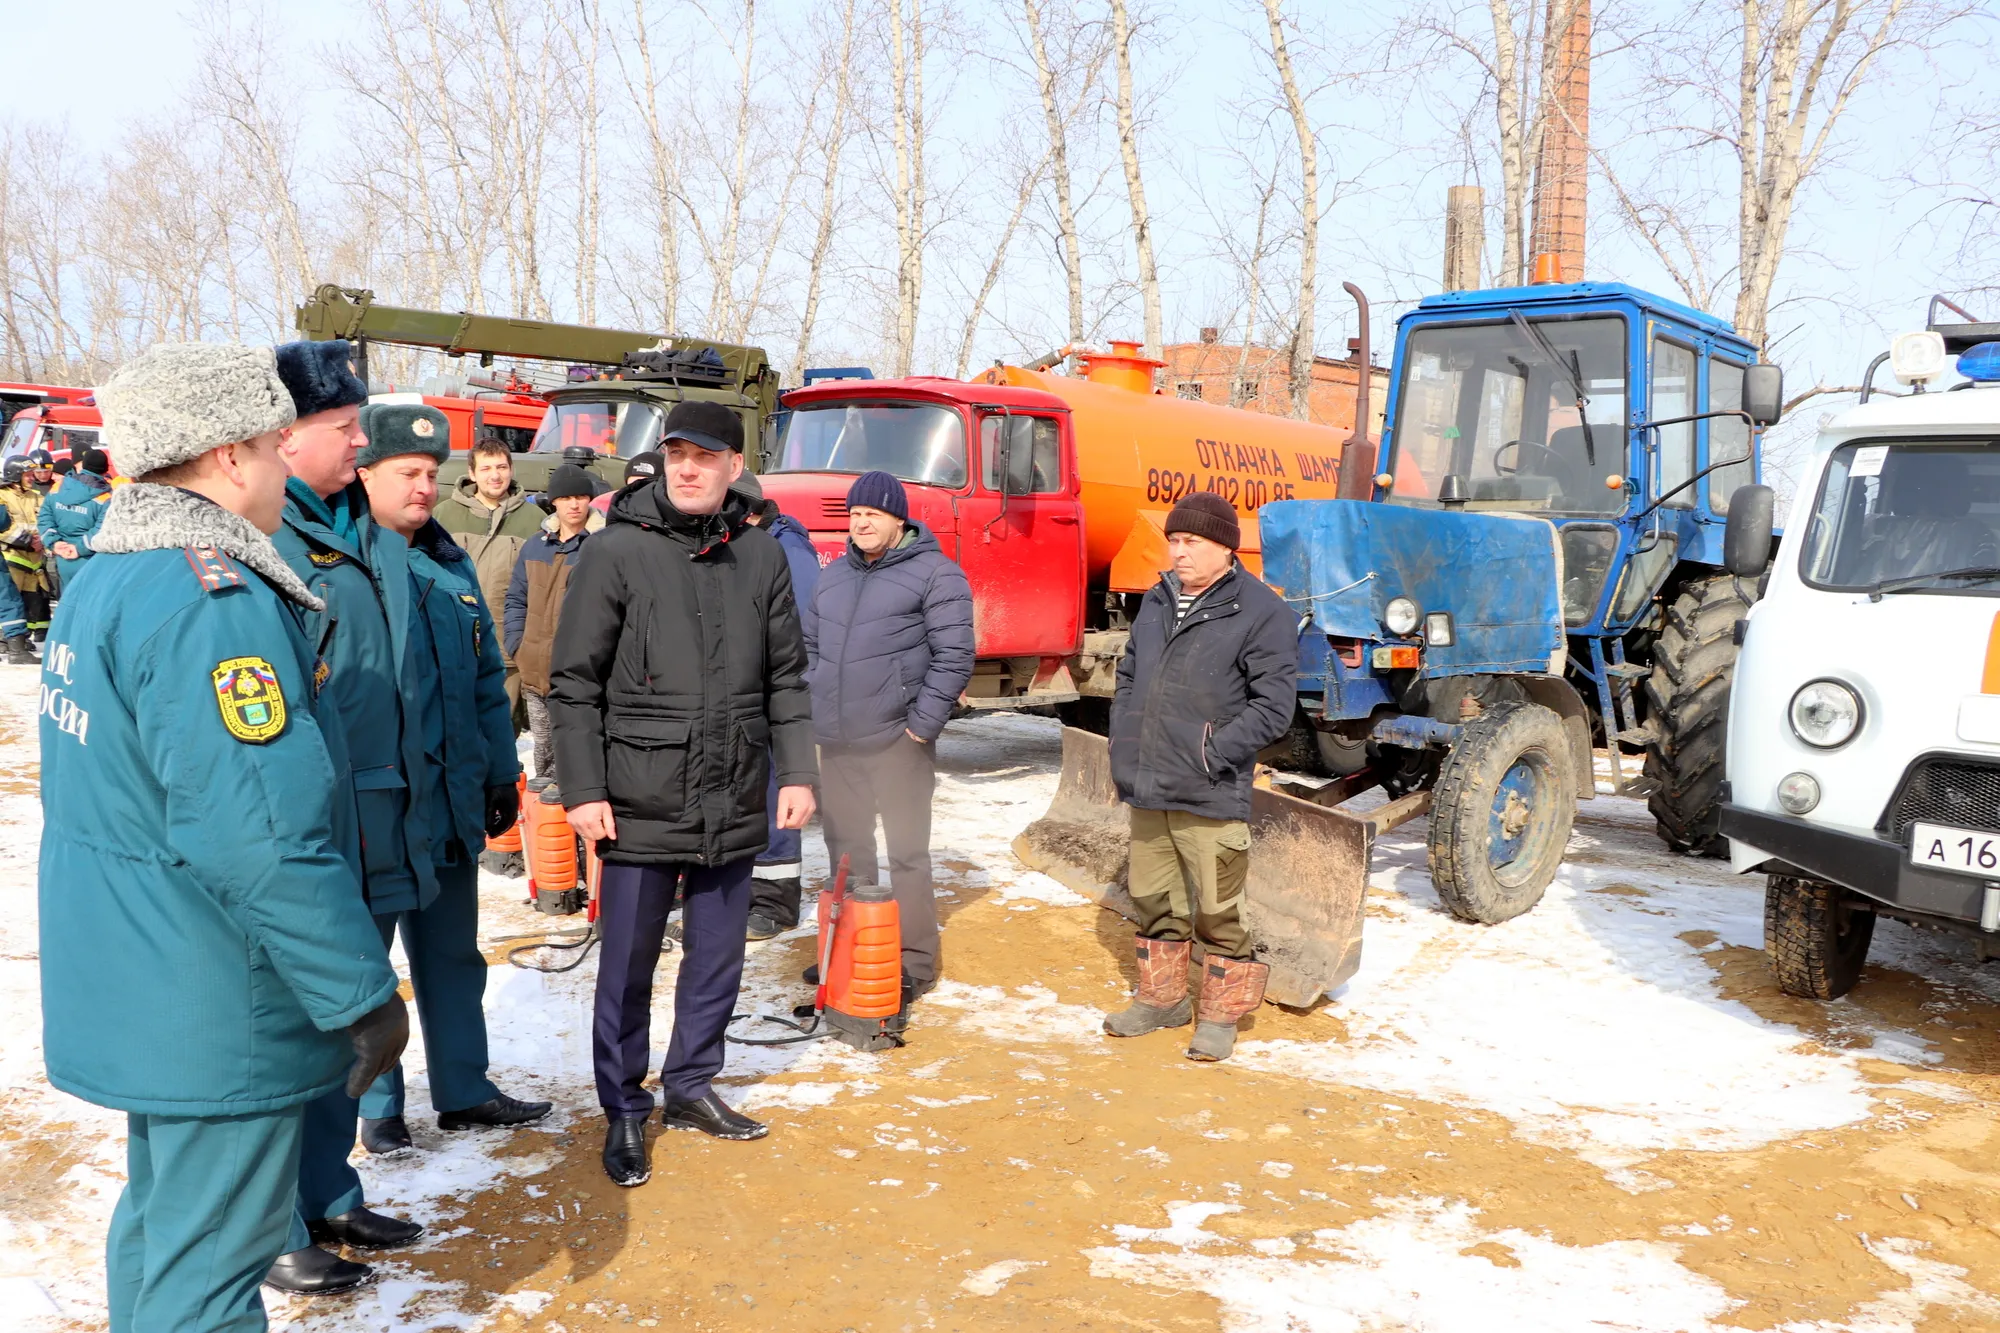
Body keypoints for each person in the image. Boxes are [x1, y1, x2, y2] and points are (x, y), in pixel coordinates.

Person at [39, 342, 406, 1331]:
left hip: (145, 972)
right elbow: (259, 834)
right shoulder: (213, 603)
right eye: (276, 449)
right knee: (210, 1270)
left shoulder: (109, 578)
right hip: (212, 991)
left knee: (165, 1234)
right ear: (231, 457)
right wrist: (362, 995)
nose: (288, 473)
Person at [269, 341, 545, 1295]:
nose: (425, 485)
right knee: (351, 996)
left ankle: (377, 1153)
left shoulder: (444, 559)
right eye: (403, 468)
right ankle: (355, 1140)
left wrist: (497, 773)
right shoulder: (332, 553)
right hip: (356, 817)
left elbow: (474, 682)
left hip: (437, 807)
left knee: (447, 959)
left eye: (437, 471)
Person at [549, 399, 816, 1188]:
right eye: (676, 454)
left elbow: (787, 678)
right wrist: (584, 788)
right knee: (627, 964)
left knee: (718, 958)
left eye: (705, 455)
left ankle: (692, 1085)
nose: (689, 467)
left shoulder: (760, 555)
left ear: (735, 467)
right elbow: (573, 684)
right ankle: (625, 1106)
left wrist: (796, 769)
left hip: (733, 789)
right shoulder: (616, 551)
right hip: (636, 794)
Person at [1104, 492, 1298, 1062]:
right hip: (1147, 781)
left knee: (1219, 908)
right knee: (1153, 897)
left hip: (1210, 789)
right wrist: (1124, 738)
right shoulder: (1158, 600)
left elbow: (1273, 707)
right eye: (1174, 541)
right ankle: (1162, 1000)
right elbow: (1129, 677)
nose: (1179, 552)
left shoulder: (1262, 611)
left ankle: (1220, 1014)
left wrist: (1211, 752)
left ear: (1224, 547)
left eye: (1192, 542)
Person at [805, 470, 974, 1018]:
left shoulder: (935, 575)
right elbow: (808, 648)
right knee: (847, 853)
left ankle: (914, 961)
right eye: (854, 514)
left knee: (906, 854)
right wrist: (815, 708)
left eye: (873, 514)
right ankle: (853, 943)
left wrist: (919, 728)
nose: (861, 522)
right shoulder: (833, 578)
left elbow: (954, 658)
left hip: (898, 742)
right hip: (839, 742)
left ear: (898, 518)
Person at [734, 471, 821, 940]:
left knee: (775, 798)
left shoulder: (788, 550)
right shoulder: (739, 543)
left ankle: (775, 902)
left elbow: (804, 628)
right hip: (739, 695)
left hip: (774, 695)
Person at [504, 463, 602, 782]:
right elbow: (516, 598)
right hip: (533, 666)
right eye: (567, 497)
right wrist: (517, 644)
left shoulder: (602, 546)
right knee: (542, 753)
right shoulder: (535, 545)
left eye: (581, 497)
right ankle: (546, 826)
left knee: (571, 751)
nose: (574, 504)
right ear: (554, 502)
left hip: (576, 673)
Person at [435, 438, 543, 712]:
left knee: (504, 726)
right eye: (485, 469)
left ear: (511, 469)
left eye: (501, 467)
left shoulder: (535, 520)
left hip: (507, 647)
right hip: (454, 640)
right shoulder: (444, 514)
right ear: (471, 473)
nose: (495, 475)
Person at [38, 446, 113, 591]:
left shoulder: (59, 487)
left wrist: (54, 543)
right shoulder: (106, 497)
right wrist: (78, 548)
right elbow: (102, 529)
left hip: (62, 559)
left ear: (83, 465)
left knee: (67, 605)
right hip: (90, 560)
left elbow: (44, 517)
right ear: (104, 470)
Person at [0, 457, 52, 647]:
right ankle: (4, 638)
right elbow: (4, 528)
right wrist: (29, 541)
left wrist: (43, 540)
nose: (32, 478)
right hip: (11, 557)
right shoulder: (2, 496)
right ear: (15, 475)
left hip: (34, 560)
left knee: (30, 601)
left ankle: (21, 638)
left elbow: (48, 521)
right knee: (7, 599)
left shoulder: (37, 496)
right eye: (28, 475)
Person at [591, 450, 660, 517]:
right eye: (631, 487)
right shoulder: (603, 505)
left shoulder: (667, 511)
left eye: (645, 487)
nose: (637, 493)